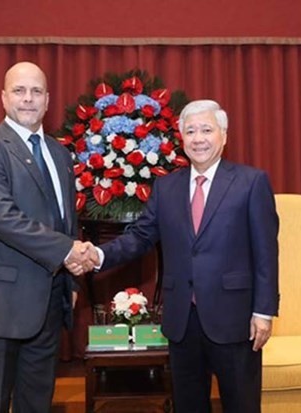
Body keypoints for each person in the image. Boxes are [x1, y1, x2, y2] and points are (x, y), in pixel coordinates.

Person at [86, 99, 279, 412]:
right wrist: (97, 254)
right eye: (190, 131)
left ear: (224, 135)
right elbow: (140, 237)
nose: (198, 138)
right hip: (181, 321)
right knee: (188, 404)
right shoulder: (166, 187)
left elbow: (266, 253)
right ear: (181, 138)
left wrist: (264, 311)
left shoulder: (251, 182)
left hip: (235, 318)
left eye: (206, 130)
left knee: (241, 404)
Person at [0, 61, 93, 413]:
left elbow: (67, 220)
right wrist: (68, 251)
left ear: (48, 100)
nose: (28, 99)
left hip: (48, 305)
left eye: (36, 92)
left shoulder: (61, 154)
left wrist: (73, 284)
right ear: (3, 98)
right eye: (19, 91)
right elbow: (1, 218)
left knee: (37, 404)